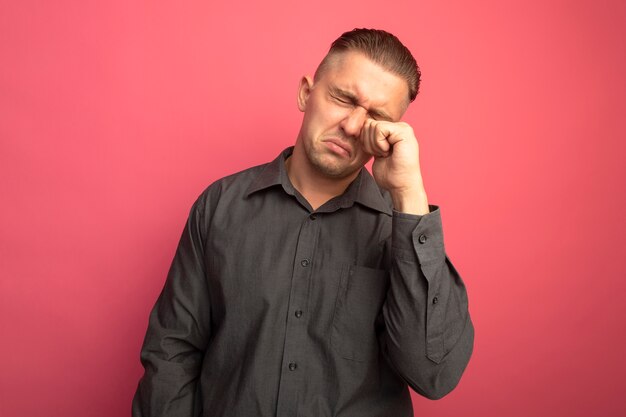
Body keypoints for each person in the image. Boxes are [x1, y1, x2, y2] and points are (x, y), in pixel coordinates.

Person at [133, 28, 474, 417]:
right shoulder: (220, 206)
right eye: (343, 98)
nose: (351, 126)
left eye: (377, 118)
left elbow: (434, 374)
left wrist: (410, 194)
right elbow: (172, 351)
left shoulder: (402, 229)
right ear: (305, 92)